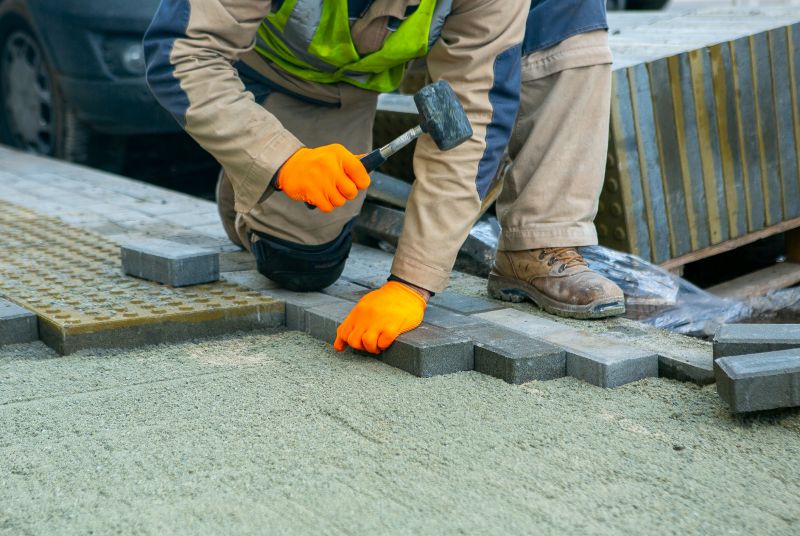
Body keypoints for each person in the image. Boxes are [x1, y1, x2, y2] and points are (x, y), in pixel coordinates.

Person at [143, 0, 623, 356]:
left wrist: (412, 283)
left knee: (566, 9)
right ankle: (249, 184)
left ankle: (537, 242)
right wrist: (279, 160)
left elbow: (468, 117)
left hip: (400, 58)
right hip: (293, 75)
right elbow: (181, 52)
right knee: (299, 264)